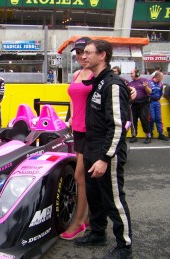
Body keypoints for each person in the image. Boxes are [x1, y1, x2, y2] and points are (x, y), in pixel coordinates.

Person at [75, 39, 133, 259]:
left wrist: (105, 157)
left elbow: (117, 127)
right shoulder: (97, 81)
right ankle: (98, 232)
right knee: (94, 195)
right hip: (91, 146)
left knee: (113, 199)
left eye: (88, 52)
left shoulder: (113, 84)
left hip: (106, 152)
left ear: (102, 55)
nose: (83, 56)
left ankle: (125, 246)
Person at [60, 37, 93, 241]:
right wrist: (72, 116)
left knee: (81, 176)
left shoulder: (96, 74)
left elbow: (115, 88)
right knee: (85, 177)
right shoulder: (76, 73)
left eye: (84, 52)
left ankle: (79, 222)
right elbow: (74, 99)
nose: (81, 56)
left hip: (92, 132)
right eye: (78, 53)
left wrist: (130, 91)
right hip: (78, 130)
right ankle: (88, 217)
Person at [128, 68, 152, 144]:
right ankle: (134, 136)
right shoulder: (130, 83)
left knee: (144, 119)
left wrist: (145, 87)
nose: (131, 75)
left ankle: (148, 136)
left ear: (137, 73)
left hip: (144, 104)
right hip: (134, 104)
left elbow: (150, 92)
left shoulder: (144, 80)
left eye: (132, 73)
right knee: (133, 120)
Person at [149, 72, 169, 141]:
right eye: (161, 77)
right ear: (157, 76)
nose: (162, 78)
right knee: (152, 118)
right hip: (150, 102)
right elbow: (147, 92)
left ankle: (160, 134)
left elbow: (161, 93)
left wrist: (157, 98)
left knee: (158, 118)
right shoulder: (149, 82)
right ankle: (150, 133)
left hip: (157, 102)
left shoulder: (160, 83)